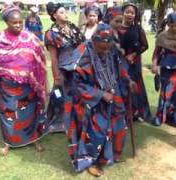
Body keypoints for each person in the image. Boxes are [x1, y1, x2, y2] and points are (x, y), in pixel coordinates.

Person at [66, 23, 133, 177]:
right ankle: (91, 162)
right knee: (96, 132)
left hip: (113, 92)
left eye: (107, 47)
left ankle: (110, 156)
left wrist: (128, 80)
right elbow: (75, 83)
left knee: (119, 125)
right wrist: (100, 94)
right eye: (101, 48)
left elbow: (119, 67)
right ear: (94, 40)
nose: (105, 51)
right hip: (91, 99)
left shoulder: (112, 49)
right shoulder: (82, 53)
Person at [0, 5, 49, 156]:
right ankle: (9, 142)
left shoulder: (31, 38)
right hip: (7, 87)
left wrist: (37, 79)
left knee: (30, 113)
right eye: (14, 23)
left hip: (28, 85)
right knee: (8, 114)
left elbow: (40, 60)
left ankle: (33, 138)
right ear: (7, 22)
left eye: (20, 22)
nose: (18, 25)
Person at [45, 2, 85, 133]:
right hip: (63, 69)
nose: (65, 14)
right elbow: (54, 58)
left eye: (65, 11)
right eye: (61, 12)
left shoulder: (73, 28)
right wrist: (56, 75)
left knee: (78, 94)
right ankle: (59, 123)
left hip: (77, 67)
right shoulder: (51, 34)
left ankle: (77, 120)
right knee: (62, 95)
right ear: (54, 15)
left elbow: (82, 45)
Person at [118, 3, 151, 122]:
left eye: (132, 13)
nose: (130, 15)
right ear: (122, 13)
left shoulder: (138, 28)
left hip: (134, 61)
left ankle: (138, 112)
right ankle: (124, 112)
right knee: (122, 84)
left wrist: (133, 54)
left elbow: (145, 45)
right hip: (120, 61)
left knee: (135, 84)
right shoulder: (116, 28)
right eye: (127, 12)